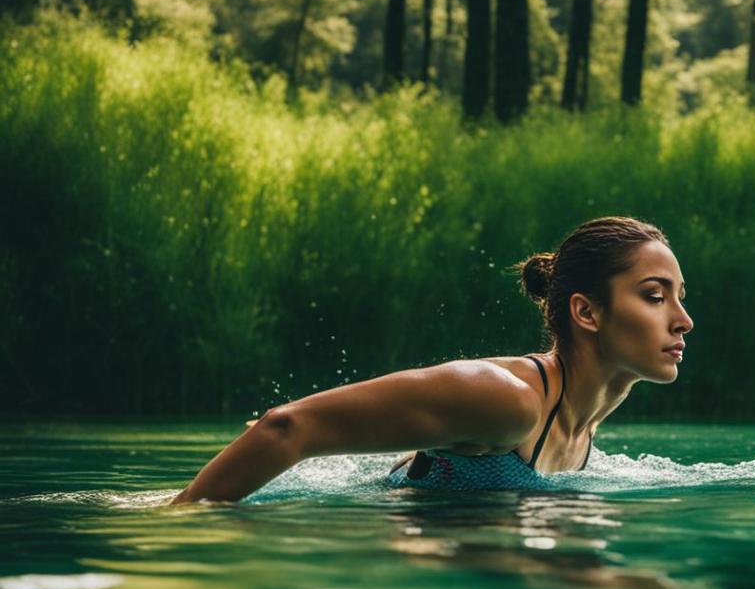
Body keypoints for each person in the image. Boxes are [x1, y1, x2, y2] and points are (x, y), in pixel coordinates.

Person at [169, 216, 692, 504]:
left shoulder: (580, 434)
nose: (682, 319)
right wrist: (182, 526)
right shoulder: (507, 400)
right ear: (587, 312)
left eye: (679, 296)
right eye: (654, 295)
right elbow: (285, 428)